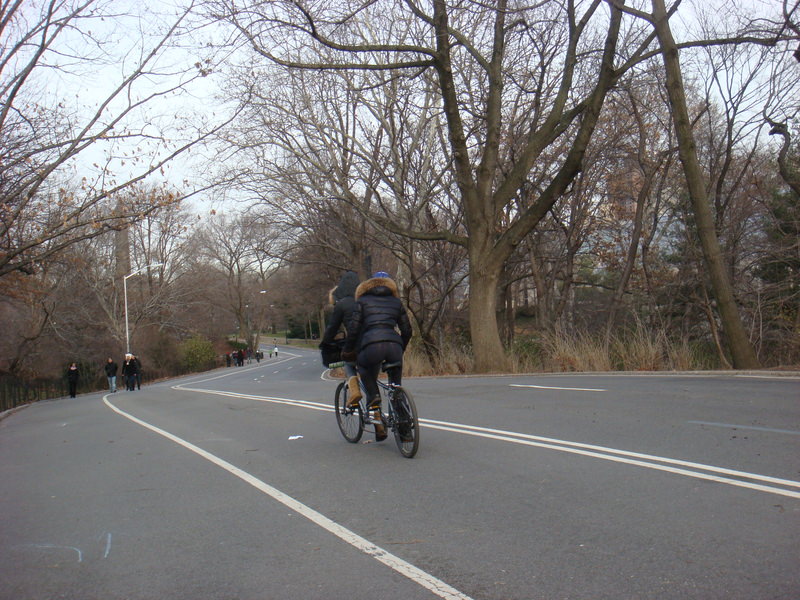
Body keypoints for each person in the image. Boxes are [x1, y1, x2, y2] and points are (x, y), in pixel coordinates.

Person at [343, 271, 412, 441]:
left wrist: (349, 350)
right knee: (396, 387)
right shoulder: (396, 302)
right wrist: (400, 347)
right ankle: (406, 434)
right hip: (394, 346)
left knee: (366, 372)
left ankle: (375, 405)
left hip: (371, 346)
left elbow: (354, 330)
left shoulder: (362, 302)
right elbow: (407, 330)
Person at [320, 271, 361, 401]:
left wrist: (325, 343)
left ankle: (354, 390)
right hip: (376, 340)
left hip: (357, 343)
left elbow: (332, 328)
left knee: (348, 362)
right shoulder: (365, 300)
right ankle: (376, 410)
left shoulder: (342, 304)